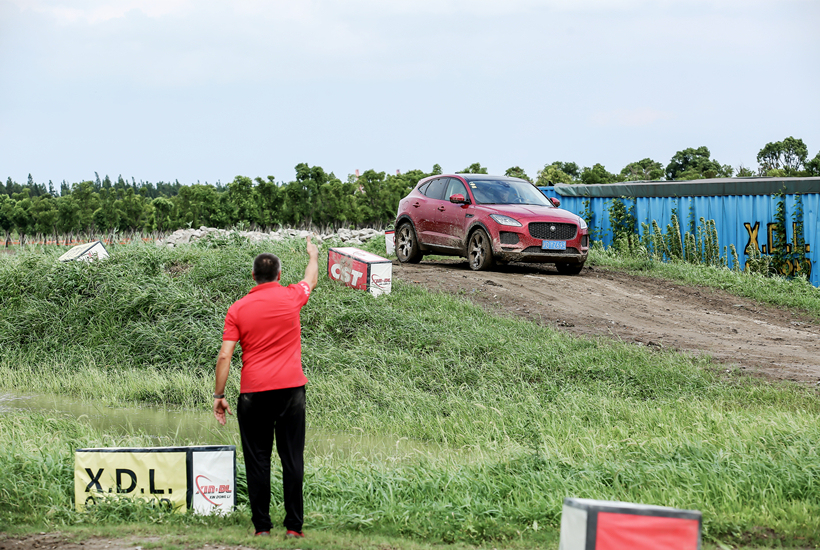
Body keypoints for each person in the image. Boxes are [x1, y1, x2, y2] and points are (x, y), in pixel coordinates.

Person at [212, 237, 319, 538]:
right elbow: (311, 278)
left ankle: (262, 528)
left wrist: (219, 396)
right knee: (292, 458)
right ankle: (294, 528)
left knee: (258, 458)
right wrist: (313, 254)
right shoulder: (292, 296)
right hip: (291, 392)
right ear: (280, 276)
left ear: (253, 276)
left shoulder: (237, 309)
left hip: (254, 393)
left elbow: (225, 355)